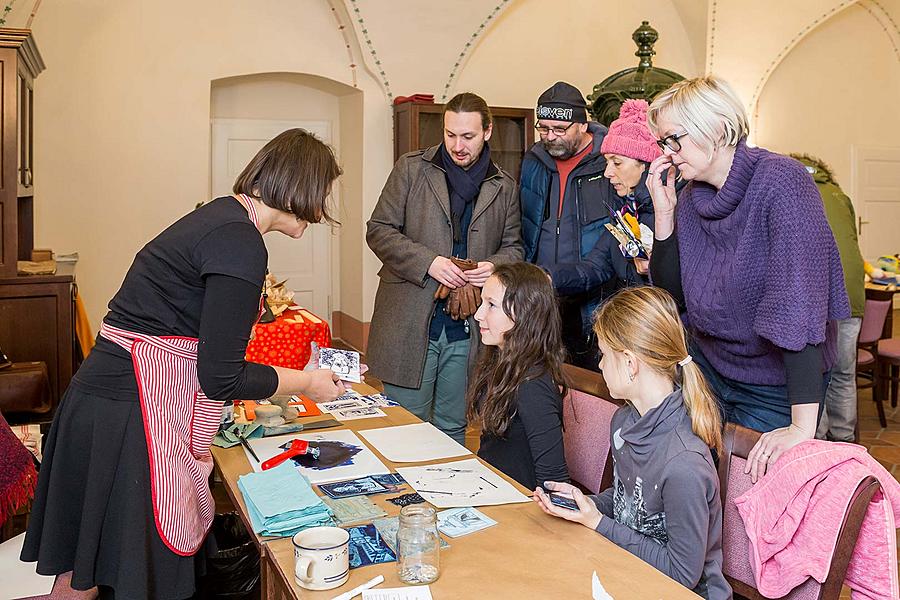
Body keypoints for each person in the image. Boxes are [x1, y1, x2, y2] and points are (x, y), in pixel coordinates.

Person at [21, 129, 347, 599]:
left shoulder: (220, 218)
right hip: (132, 412)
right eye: (322, 196)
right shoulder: (240, 242)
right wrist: (307, 382)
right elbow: (221, 376)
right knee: (132, 580)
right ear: (303, 188)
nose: (321, 211)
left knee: (83, 582)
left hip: (102, 399)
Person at [645, 75, 849, 481]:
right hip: (713, 370)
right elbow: (675, 299)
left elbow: (800, 307)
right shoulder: (688, 199)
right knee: (700, 489)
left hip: (776, 383)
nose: (667, 154)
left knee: (752, 498)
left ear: (717, 129)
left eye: (674, 139)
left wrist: (801, 427)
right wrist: (663, 215)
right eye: (662, 143)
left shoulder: (782, 182)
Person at [534, 286, 731, 600]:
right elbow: (632, 502)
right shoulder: (624, 422)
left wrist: (598, 523)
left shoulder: (685, 463)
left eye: (603, 354)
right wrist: (586, 505)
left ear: (630, 363)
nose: (598, 365)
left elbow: (683, 575)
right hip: (628, 573)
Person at [366, 92, 522, 445]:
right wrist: (430, 263)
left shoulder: (505, 186)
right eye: (450, 135)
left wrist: (492, 268)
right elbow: (378, 230)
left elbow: (515, 247)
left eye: (467, 136)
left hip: (469, 325)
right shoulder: (411, 168)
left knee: (453, 427)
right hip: (409, 317)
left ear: (488, 132)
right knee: (403, 424)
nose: (457, 145)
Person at [548, 99, 661, 352]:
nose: (608, 172)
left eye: (617, 162)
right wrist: (546, 277)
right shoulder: (623, 212)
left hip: (656, 340)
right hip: (629, 335)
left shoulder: (670, 215)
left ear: (645, 165)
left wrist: (653, 270)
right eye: (607, 161)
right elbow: (594, 267)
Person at [520, 81, 609, 369]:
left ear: (583, 125)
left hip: (592, 298)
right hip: (542, 298)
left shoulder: (608, 161)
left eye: (560, 129)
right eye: (543, 128)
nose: (550, 137)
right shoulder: (533, 160)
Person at [467, 262, 569, 490]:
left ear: (525, 312)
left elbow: (554, 479)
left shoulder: (533, 384)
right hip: (491, 488)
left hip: (519, 507)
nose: (478, 314)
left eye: (491, 305)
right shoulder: (500, 362)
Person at [791, 154, 866, 443]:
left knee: (817, 373)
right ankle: (846, 443)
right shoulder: (839, 195)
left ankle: (817, 442)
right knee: (845, 374)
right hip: (854, 295)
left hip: (820, 295)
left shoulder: (795, 192)